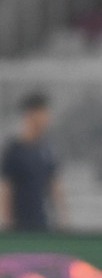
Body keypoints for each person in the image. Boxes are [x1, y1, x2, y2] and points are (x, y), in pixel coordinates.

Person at [0, 92, 65, 231]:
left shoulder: (46, 150)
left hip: (41, 223)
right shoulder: (14, 150)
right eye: (43, 113)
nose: (47, 118)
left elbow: (54, 185)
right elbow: (6, 189)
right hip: (18, 226)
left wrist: (63, 218)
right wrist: (6, 223)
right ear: (31, 114)